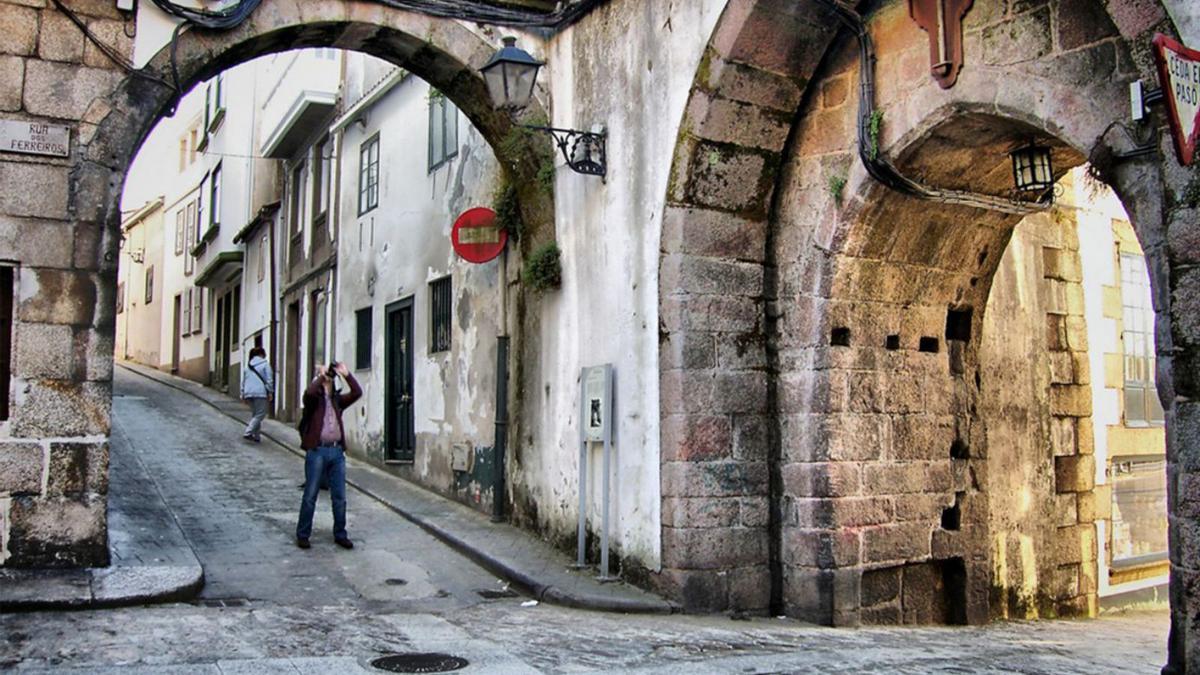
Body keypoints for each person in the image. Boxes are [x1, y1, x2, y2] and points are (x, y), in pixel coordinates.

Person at [295, 361, 361, 550]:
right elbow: (308, 393)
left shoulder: (337, 401)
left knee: (339, 496)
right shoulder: (313, 402)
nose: (327, 382)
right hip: (317, 451)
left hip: (337, 452)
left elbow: (357, 393)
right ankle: (303, 534)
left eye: (330, 380)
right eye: (325, 380)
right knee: (310, 495)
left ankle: (340, 534)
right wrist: (320, 378)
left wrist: (346, 375)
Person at [240, 347, 274, 443]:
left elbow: (243, 381)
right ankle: (248, 431)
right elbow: (269, 380)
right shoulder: (265, 365)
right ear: (261, 354)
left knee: (255, 414)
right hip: (260, 393)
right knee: (260, 414)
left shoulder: (248, 366)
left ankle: (256, 436)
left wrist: (242, 393)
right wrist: (270, 391)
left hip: (248, 392)